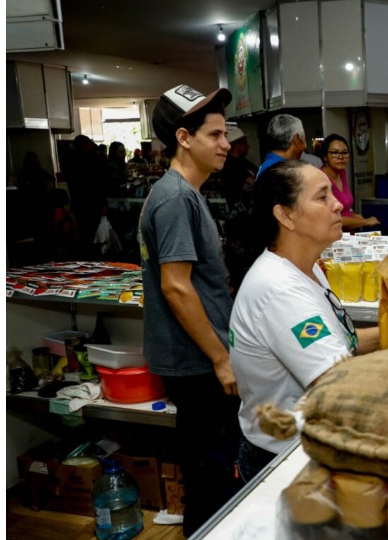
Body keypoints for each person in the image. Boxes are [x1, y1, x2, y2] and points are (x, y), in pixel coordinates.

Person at [225, 160, 381, 481]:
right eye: (322, 197)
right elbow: (335, 384)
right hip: (283, 458)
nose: (338, 204)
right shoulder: (280, 290)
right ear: (286, 215)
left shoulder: (305, 269)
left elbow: (340, 345)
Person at [141, 83, 243, 536]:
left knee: (212, 473)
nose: (226, 144)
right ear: (184, 138)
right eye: (215, 135)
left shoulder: (187, 194)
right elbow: (176, 288)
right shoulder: (175, 198)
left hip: (201, 358)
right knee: (211, 478)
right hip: (196, 363)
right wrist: (221, 359)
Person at [320, 133, 380, 231]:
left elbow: (344, 208)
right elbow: (330, 218)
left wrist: (354, 215)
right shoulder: (321, 179)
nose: (341, 157)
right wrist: (366, 222)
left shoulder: (342, 172)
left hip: (348, 237)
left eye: (344, 153)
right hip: (332, 238)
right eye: (335, 153)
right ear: (325, 156)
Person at [256, 114, 320, 179]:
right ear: (296, 139)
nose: (304, 146)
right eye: (304, 139)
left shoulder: (268, 166)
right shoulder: (282, 171)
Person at [217, 127, 259, 207]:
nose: (248, 146)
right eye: (245, 143)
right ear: (237, 145)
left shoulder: (242, 162)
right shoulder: (231, 165)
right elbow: (252, 181)